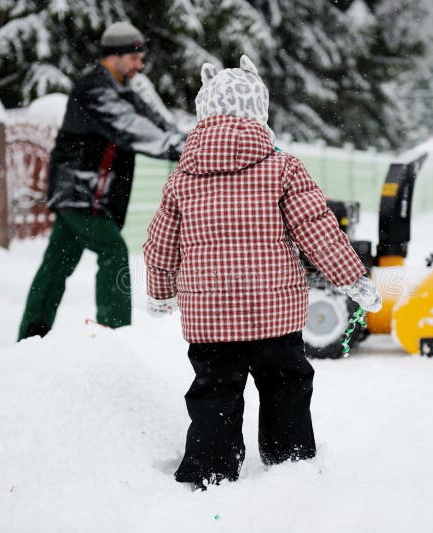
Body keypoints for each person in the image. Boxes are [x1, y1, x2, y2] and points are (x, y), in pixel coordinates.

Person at [143, 55, 382, 489]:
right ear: (260, 110)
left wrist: (160, 293)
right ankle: (291, 463)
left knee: (215, 392)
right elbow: (317, 230)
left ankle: (209, 471)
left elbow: (160, 244)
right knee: (285, 385)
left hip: (210, 321)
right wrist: (352, 279)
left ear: (204, 110)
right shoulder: (283, 168)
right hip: (275, 316)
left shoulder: (182, 179)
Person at [18, 21, 185, 341]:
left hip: (88, 195)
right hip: (81, 191)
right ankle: (115, 335)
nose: (140, 65)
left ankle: (31, 337)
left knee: (55, 267)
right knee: (113, 251)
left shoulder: (123, 91)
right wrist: (182, 148)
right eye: (135, 58)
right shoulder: (94, 90)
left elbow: (159, 126)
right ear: (115, 55)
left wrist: (197, 144)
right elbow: (132, 130)